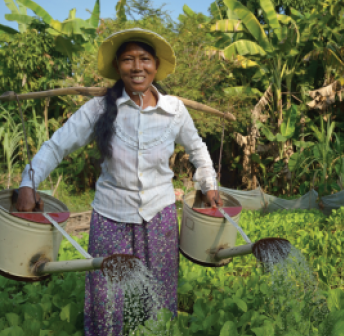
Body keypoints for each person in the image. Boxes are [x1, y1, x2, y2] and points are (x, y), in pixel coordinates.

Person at [16, 28, 221, 335]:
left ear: (155, 65)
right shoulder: (99, 109)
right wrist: (27, 183)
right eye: (128, 59)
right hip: (111, 214)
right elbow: (57, 145)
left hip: (159, 214)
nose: (137, 67)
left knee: (159, 295)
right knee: (105, 297)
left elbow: (197, 149)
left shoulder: (174, 110)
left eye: (144, 59)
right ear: (117, 66)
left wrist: (209, 183)